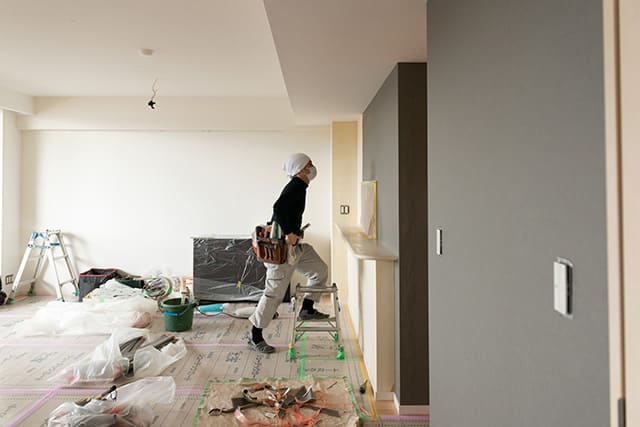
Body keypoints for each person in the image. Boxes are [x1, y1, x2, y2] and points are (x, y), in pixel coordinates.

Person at [248, 153, 329, 353]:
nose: (312, 167)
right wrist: (287, 233)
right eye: (309, 164)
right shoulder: (295, 186)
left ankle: (307, 308)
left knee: (319, 270)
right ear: (300, 168)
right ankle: (255, 335)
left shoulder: (301, 187)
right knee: (274, 295)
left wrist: (295, 232)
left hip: (295, 249)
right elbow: (278, 208)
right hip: (282, 252)